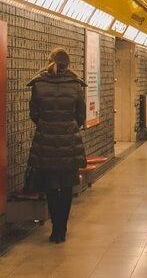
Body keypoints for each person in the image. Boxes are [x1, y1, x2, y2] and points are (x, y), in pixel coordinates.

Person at [27, 47, 87, 244]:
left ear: (50, 60)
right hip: (69, 142)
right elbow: (81, 116)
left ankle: (54, 231)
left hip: (46, 142)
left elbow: (34, 114)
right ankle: (62, 229)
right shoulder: (76, 85)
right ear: (68, 64)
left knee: (51, 187)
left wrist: (47, 126)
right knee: (67, 186)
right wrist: (68, 127)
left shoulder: (39, 83)